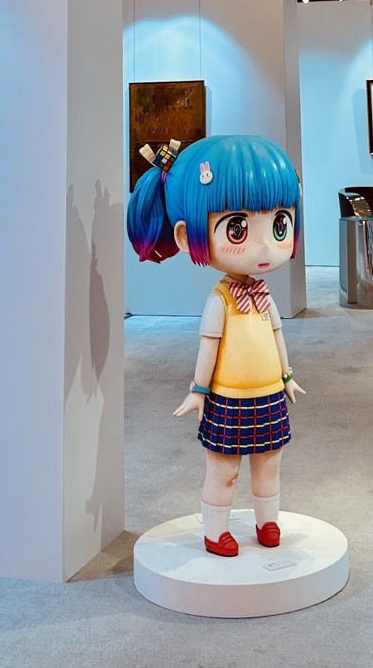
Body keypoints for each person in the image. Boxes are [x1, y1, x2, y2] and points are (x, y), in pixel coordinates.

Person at [127, 134, 305, 558]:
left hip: (269, 394)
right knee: (224, 469)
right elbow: (208, 348)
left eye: (279, 223)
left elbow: (277, 335)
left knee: (270, 464)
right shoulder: (219, 301)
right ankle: (216, 531)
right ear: (185, 236)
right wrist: (198, 391)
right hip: (227, 399)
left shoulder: (264, 297)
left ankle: (268, 521)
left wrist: (287, 376)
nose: (265, 245)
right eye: (238, 228)